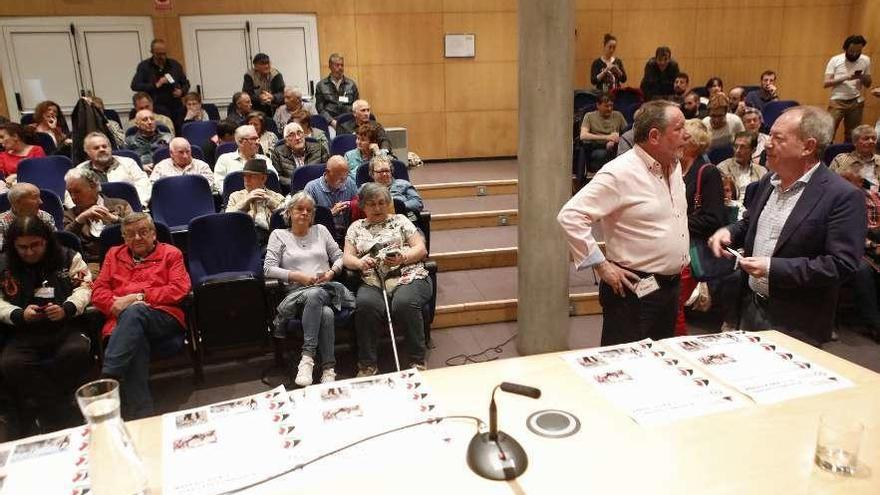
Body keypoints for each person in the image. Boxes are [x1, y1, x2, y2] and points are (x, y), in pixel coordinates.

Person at [708, 106, 866, 345]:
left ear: (808, 147)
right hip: (751, 305)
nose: (767, 144)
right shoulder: (767, 182)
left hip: (797, 320)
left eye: (778, 138)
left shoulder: (842, 196)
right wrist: (728, 232)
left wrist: (774, 268)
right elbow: (751, 223)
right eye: (769, 136)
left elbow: (840, 264)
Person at [557, 100, 690, 346]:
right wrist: (601, 265)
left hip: (670, 289)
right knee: (624, 369)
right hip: (633, 290)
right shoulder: (619, 172)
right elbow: (571, 215)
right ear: (654, 136)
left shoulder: (674, 165)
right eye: (679, 128)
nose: (688, 133)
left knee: (661, 363)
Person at [92, 213, 191, 419]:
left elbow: (179, 288)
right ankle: (142, 416)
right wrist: (115, 304)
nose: (137, 238)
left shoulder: (170, 253)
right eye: (129, 234)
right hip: (122, 323)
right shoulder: (113, 254)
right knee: (135, 342)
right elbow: (98, 292)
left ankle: (108, 376)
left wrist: (138, 297)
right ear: (124, 238)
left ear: (154, 234)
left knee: (135, 311)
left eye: (143, 232)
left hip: (163, 316)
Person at [0, 215, 92, 432]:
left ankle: (48, 415)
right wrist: (18, 314)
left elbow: (85, 287)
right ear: (13, 245)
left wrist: (67, 308)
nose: (29, 252)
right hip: (23, 332)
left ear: (46, 241)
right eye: (22, 247)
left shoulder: (68, 256)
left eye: (35, 245)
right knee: (10, 364)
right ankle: (61, 413)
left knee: (76, 352)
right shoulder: (3, 264)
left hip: (65, 327)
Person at [343, 182, 432, 375]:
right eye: (372, 204)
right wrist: (360, 263)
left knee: (404, 303)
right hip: (373, 280)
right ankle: (368, 364)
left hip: (409, 275)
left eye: (382, 203)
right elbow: (347, 258)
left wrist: (403, 257)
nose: (378, 208)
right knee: (365, 305)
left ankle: (417, 360)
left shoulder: (400, 220)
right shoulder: (356, 227)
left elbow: (421, 248)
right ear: (363, 206)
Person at [264, 192, 352, 386]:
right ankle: (329, 368)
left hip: (326, 287)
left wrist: (330, 272)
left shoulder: (321, 230)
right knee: (326, 313)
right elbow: (268, 268)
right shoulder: (279, 235)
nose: (304, 213)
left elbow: (339, 256)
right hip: (296, 293)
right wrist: (298, 276)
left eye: (309, 210)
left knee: (318, 292)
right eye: (299, 209)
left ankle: (307, 358)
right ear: (289, 212)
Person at [676, 119, 725, 337]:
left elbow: (714, 218)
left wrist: (674, 221)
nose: (677, 138)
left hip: (693, 251)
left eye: (682, 135)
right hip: (677, 248)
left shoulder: (708, 172)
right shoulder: (676, 169)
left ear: (693, 142)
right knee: (671, 307)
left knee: (673, 307)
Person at [64, 168, 132, 275]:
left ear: (94, 186)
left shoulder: (120, 205)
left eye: (77, 191)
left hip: (125, 256)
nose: (73, 197)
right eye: (70, 192)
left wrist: (114, 219)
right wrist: (80, 219)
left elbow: (137, 228)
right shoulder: (70, 214)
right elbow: (65, 241)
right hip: (93, 264)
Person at [838, 169, 880, 338]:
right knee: (861, 269)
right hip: (853, 247)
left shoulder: (874, 198)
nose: (844, 184)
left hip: (874, 240)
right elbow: (844, 233)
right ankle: (875, 323)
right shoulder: (839, 199)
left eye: (849, 180)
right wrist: (873, 245)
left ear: (860, 183)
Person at [77, 132, 151, 208]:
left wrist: (138, 205)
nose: (102, 149)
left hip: (130, 210)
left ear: (110, 148)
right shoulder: (79, 170)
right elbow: (71, 196)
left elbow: (144, 185)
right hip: (95, 214)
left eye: (105, 146)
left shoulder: (128, 163)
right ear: (87, 152)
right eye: (96, 148)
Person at [130, 39, 189, 130]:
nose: (162, 57)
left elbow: (186, 83)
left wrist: (181, 91)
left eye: (164, 53)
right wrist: (156, 85)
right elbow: (135, 86)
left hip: (175, 108)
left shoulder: (175, 65)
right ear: (152, 52)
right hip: (156, 108)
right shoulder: (144, 66)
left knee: (179, 132)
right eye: (159, 54)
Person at [225, 159, 284, 249]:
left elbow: (288, 216)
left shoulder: (276, 197)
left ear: (263, 178)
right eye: (245, 176)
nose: (246, 179)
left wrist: (269, 200)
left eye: (251, 176)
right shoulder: (235, 196)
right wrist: (246, 200)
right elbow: (227, 218)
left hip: (272, 242)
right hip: (243, 242)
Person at [825, 35, 872, 142]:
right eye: (852, 51)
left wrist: (861, 76)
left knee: (853, 135)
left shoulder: (866, 60)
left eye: (858, 51)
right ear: (845, 48)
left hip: (856, 101)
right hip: (837, 100)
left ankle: (848, 157)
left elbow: (868, 84)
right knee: (828, 131)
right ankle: (826, 156)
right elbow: (826, 83)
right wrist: (846, 77)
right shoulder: (835, 60)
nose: (855, 54)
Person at [304, 155, 358, 242]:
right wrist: (330, 213)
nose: (344, 180)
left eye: (346, 175)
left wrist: (352, 206)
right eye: (340, 177)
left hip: (348, 234)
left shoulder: (349, 183)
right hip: (321, 237)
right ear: (327, 172)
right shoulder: (311, 188)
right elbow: (306, 219)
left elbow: (359, 205)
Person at [270, 122, 329, 191]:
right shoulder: (278, 153)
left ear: (304, 135)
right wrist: (296, 183)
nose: (297, 138)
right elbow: (278, 177)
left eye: (299, 133)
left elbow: (328, 170)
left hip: (318, 189)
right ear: (286, 141)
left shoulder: (319, 148)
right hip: (293, 192)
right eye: (291, 135)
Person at [579, 93, 627, 173]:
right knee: (602, 154)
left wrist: (615, 140)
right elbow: (583, 136)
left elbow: (627, 132)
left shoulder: (618, 115)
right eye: (606, 106)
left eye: (611, 105)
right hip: (597, 148)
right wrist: (607, 137)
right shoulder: (589, 116)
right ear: (598, 105)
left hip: (615, 147)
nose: (609, 108)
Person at [0, 183, 56, 251]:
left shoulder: (45, 217)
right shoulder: (1, 223)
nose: (41, 202)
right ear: (17, 202)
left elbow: (55, 244)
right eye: (35, 197)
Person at [150, 137, 217, 193]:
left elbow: (209, 186)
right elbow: (153, 187)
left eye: (188, 151)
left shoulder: (202, 166)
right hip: (169, 203)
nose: (185, 156)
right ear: (171, 153)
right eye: (181, 152)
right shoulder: (160, 167)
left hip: (196, 202)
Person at [717, 132, 767, 200]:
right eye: (736, 146)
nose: (737, 151)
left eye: (743, 147)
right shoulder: (723, 168)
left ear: (753, 150)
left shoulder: (762, 171)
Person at [315, 53, 360, 127]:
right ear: (330, 66)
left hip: (349, 122)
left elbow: (356, 106)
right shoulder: (321, 85)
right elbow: (320, 109)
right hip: (330, 123)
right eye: (337, 65)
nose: (340, 68)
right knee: (332, 137)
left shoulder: (351, 84)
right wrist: (332, 122)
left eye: (342, 65)